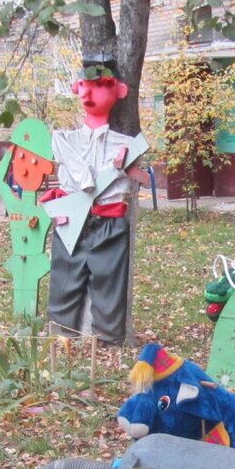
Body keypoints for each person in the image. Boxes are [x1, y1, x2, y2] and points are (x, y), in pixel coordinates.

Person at [43, 55, 147, 345]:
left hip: (110, 222)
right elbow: (63, 154)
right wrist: (86, 180)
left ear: (120, 91)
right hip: (70, 222)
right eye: (84, 86)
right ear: (77, 88)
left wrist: (116, 170)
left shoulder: (127, 146)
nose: (88, 94)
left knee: (108, 280)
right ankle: (63, 334)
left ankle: (109, 338)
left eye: (100, 85)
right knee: (65, 278)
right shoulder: (64, 140)